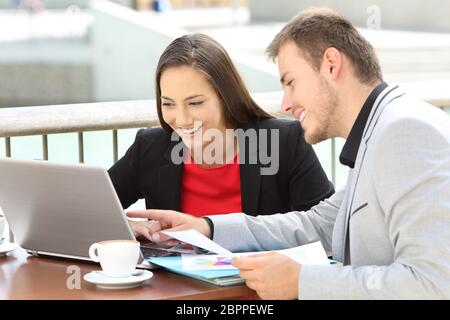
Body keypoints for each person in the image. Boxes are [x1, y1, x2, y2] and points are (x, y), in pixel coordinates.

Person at [127, 8, 450, 299]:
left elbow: (434, 283)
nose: (286, 103)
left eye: (291, 83)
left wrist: (302, 282)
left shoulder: (402, 133)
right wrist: (208, 228)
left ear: (331, 65)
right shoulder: (382, 130)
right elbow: (319, 223)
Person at [109, 34, 334, 240]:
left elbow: (332, 228)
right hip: (176, 285)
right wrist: (127, 227)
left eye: (195, 103)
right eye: (168, 103)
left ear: (225, 98)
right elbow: (86, 210)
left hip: (258, 282)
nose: (182, 119)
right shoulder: (150, 148)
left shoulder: (283, 142)